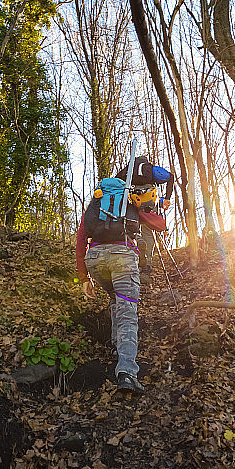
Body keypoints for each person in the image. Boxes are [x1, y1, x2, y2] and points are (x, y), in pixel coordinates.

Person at [75, 179, 145, 394]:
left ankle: (116, 345)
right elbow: (157, 224)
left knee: (115, 297)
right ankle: (126, 372)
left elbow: (80, 241)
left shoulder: (94, 210)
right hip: (122, 256)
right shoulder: (129, 203)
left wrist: (84, 278)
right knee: (127, 313)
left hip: (95, 259)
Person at [114, 155, 173, 278]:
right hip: (150, 201)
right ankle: (148, 263)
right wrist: (167, 197)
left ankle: (137, 257)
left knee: (134, 229)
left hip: (133, 201)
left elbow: (115, 182)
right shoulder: (150, 169)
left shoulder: (128, 170)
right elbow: (170, 177)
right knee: (149, 232)